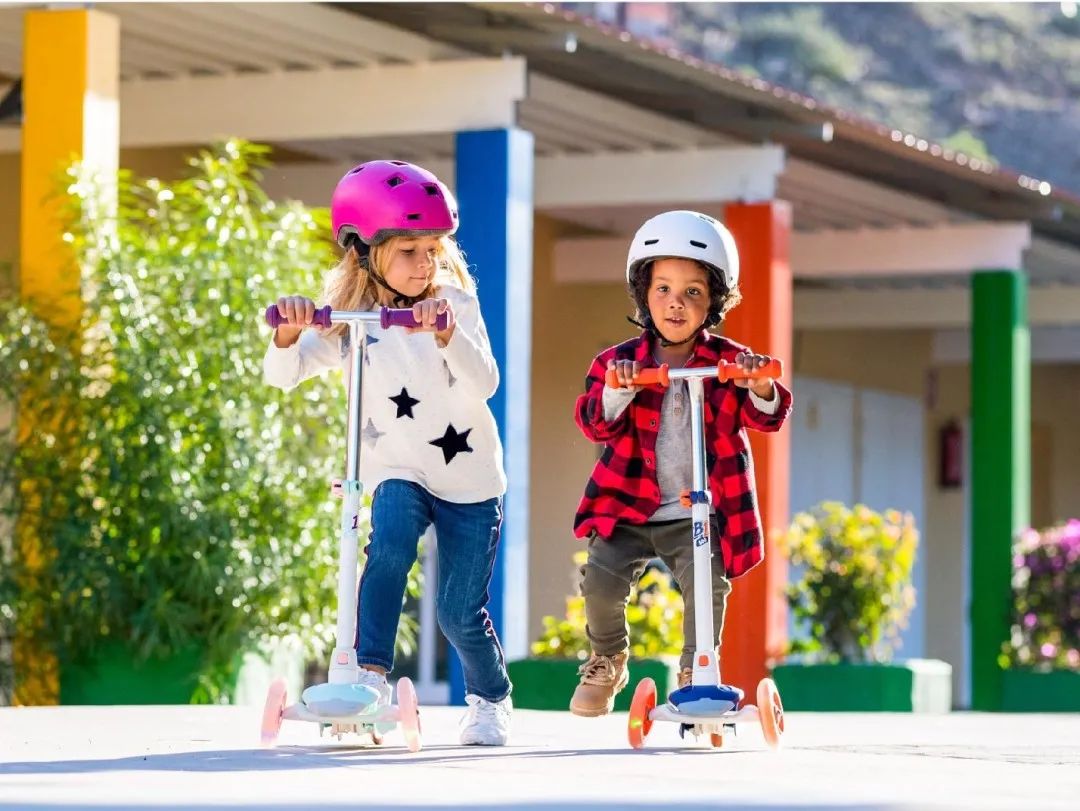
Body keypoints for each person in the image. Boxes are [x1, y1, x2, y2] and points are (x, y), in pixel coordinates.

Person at [264, 160, 512, 745]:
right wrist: (287, 332)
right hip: (397, 469)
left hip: (469, 479)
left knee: (457, 612)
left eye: (433, 248)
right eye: (410, 250)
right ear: (364, 250)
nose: (425, 263)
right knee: (388, 548)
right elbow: (284, 375)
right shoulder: (350, 315)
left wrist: (447, 333)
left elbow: (486, 384)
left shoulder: (454, 302)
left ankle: (490, 697)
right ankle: (368, 674)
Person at [568, 210, 793, 717]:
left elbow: (769, 415)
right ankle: (607, 657)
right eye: (664, 288)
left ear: (714, 300)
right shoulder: (616, 362)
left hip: (697, 512)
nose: (676, 302)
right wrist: (617, 392)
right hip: (628, 508)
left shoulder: (729, 362)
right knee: (600, 584)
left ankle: (698, 671)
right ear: (644, 294)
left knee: (706, 585)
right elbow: (592, 423)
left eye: (693, 291)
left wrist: (757, 385)